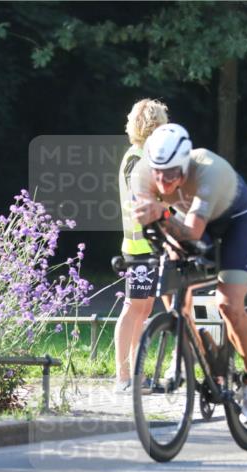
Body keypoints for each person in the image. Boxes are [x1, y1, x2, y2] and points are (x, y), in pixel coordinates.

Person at [131, 123, 247, 422]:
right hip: (188, 219)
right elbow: (150, 223)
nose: (164, 182)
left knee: (228, 303)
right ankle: (202, 351)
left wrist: (163, 213)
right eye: (158, 173)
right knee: (170, 286)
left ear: (185, 165)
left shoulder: (208, 170)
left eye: (172, 174)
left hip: (234, 222)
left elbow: (193, 232)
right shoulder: (141, 174)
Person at [113, 99, 169, 392]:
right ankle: (123, 377)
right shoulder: (136, 158)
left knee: (144, 309)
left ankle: (136, 374)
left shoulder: (145, 156)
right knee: (134, 307)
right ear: (153, 126)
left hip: (149, 246)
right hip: (138, 248)